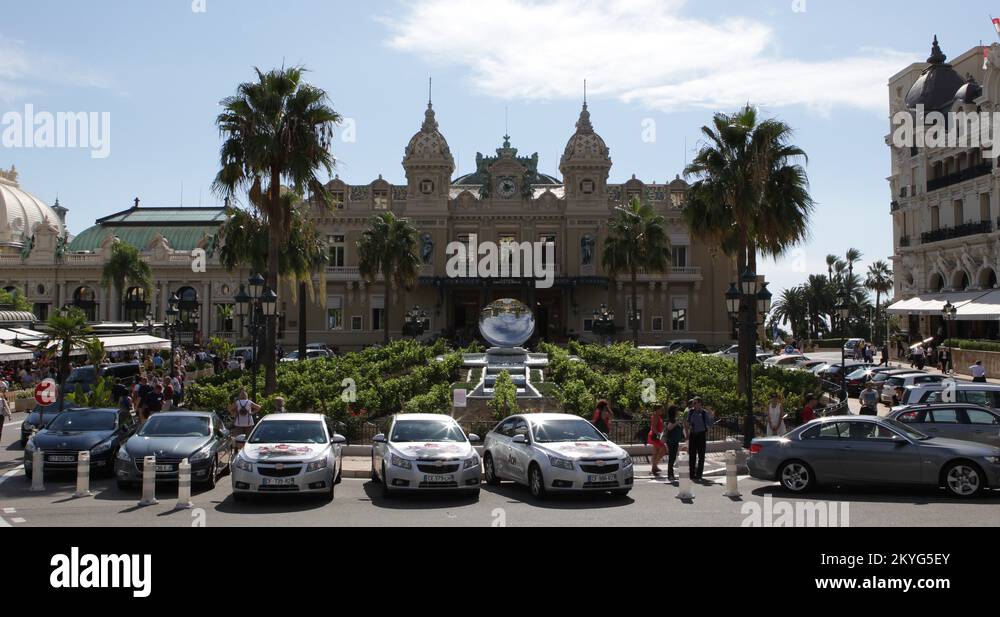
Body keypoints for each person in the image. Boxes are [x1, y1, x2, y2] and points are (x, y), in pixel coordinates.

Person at [684, 397, 715, 481]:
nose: (693, 405)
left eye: (695, 403)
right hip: (693, 434)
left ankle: (699, 474)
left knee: (701, 456)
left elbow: (710, 424)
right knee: (692, 455)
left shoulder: (704, 413)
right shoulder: (691, 411)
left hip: (701, 435)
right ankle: (691, 474)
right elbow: (688, 422)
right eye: (693, 403)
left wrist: (712, 416)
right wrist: (689, 425)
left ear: (699, 403)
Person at [664, 406, 684, 481]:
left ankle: (671, 474)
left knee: (672, 458)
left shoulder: (675, 420)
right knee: (671, 458)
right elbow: (669, 427)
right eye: (677, 410)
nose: (678, 412)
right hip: (671, 441)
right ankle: (670, 475)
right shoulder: (672, 420)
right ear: (674, 412)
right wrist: (677, 422)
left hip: (675, 441)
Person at [647, 405, 667, 476]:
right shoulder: (655, 416)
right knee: (664, 450)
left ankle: (654, 467)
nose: (662, 411)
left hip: (655, 435)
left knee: (656, 451)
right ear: (657, 409)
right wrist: (659, 435)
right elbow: (654, 427)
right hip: (656, 436)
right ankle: (654, 465)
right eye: (661, 409)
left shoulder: (656, 415)